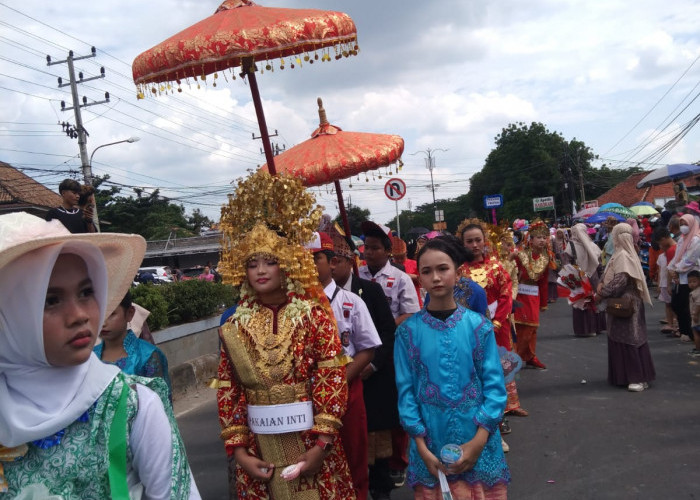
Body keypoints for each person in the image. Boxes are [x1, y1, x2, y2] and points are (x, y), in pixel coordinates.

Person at [0, 212, 199, 498]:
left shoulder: (133, 406)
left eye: (86, 292)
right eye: (51, 300)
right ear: (7, 314)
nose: (80, 315)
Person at [215, 172, 355, 500]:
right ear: (243, 271)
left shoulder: (314, 317)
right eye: (252, 263)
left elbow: (331, 379)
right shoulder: (234, 326)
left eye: (271, 261)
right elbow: (229, 389)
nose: (261, 270)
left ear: (288, 265)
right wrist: (239, 452)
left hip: (312, 442)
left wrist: (323, 442)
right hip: (257, 448)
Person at [394, 236, 510, 499]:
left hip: (479, 439)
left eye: (442, 269)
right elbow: (406, 394)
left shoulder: (479, 327)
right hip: (430, 443)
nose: (435, 277)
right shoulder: (407, 333)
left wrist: (478, 443)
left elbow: (494, 388)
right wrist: (422, 448)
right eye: (426, 271)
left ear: (458, 273)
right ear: (419, 279)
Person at [308, 231, 382, 500]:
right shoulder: (293, 306)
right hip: (307, 397)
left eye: (316, 259)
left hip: (348, 390)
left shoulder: (352, 302)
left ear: (332, 263)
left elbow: (367, 348)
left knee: (353, 454)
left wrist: (339, 381)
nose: (310, 266)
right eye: (302, 260)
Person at [330, 233, 400, 500]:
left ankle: (380, 487)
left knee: (375, 439)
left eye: (337, 260)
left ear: (349, 261)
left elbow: (386, 332)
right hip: (335, 382)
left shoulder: (368, 291)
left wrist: (373, 365)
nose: (333, 266)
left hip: (371, 375)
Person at [359, 220, 421, 492]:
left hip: (393, 348)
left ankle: (398, 462)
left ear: (387, 251)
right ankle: (369, 464)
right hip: (362, 351)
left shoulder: (400, 278)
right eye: (365, 248)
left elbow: (410, 313)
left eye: (374, 248)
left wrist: (381, 330)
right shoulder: (356, 275)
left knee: (395, 407)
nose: (368, 253)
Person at [457, 219, 527, 424]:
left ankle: (510, 404)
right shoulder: (459, 271)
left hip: (499, 325)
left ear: (485, 240)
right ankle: (486, 409)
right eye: (469, 241)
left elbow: (506, 295)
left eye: (478, 240)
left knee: (502, 363)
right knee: (478, 366)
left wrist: (496, 321)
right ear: (463, 244)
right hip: (471, 328)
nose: (474, 245)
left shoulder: (496, 267)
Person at [595, 223, 656, 391]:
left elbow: (619, 281)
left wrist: (601, 293)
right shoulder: (624, 254)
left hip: (625, 303)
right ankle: (639, 376)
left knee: (629, 338)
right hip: (626, 302)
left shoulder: (622, 255)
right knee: (633, 337)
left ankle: (635, 377)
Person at [94, 291, 172, 399]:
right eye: (99, 314)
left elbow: (162, 406)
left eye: (111, 314)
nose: (103, 323)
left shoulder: (148, 356)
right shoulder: (89, 357)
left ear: (129, 313)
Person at [513, 219, 551, 369]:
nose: (542, 240)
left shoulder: (546, 258)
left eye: (544, 237)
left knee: (532, 327)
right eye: (539, 237)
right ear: (531, 239)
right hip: (519, 294)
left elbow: (544, 282)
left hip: (533, 295)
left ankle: (530, 355)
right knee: (519, 326)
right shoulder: (520, 256)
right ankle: (515, 355)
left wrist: (543, 303)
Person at [566, 223, 607, 337]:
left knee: (581, 303)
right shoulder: (593, 245)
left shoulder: (571, 246)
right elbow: (599, 264)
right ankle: (598, 327)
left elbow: (566, 263)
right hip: (593, 277)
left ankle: (585, 329)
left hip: (578, 277)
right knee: (595, 300)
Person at [667, 214, 700, 353]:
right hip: (680, 277)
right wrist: (671, 268)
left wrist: (676, 269)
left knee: (689, 306)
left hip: (691, 276)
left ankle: (692, 335)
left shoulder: (696, 240)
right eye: (681, 224)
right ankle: (687, 331)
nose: (683, 227)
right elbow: (677, 256)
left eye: (685, 223)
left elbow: (690, 259)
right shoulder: (682, 239)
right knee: (678, 304)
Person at [653, 226, 679, 336]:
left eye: (659, 242)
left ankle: (678, 327)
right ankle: (676, 326)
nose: (660, 245)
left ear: (663, 239)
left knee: (676, 306)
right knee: (673, 305)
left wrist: (668, 284)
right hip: (677, 281)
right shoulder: (678, 246)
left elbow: (670, 269)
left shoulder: (672, 250)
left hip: (675, 281)